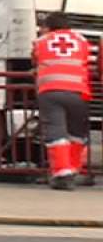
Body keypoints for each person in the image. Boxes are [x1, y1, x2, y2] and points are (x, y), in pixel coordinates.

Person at [32, 12, 92, 190]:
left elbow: (36, 60)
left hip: (51, 90)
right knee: (77, 133)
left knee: (56, 132)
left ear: (48, 27)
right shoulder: (81, 40)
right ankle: (74, 169)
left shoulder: (41, 41)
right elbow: (85, 60)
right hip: (79, 91)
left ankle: (62, 173)